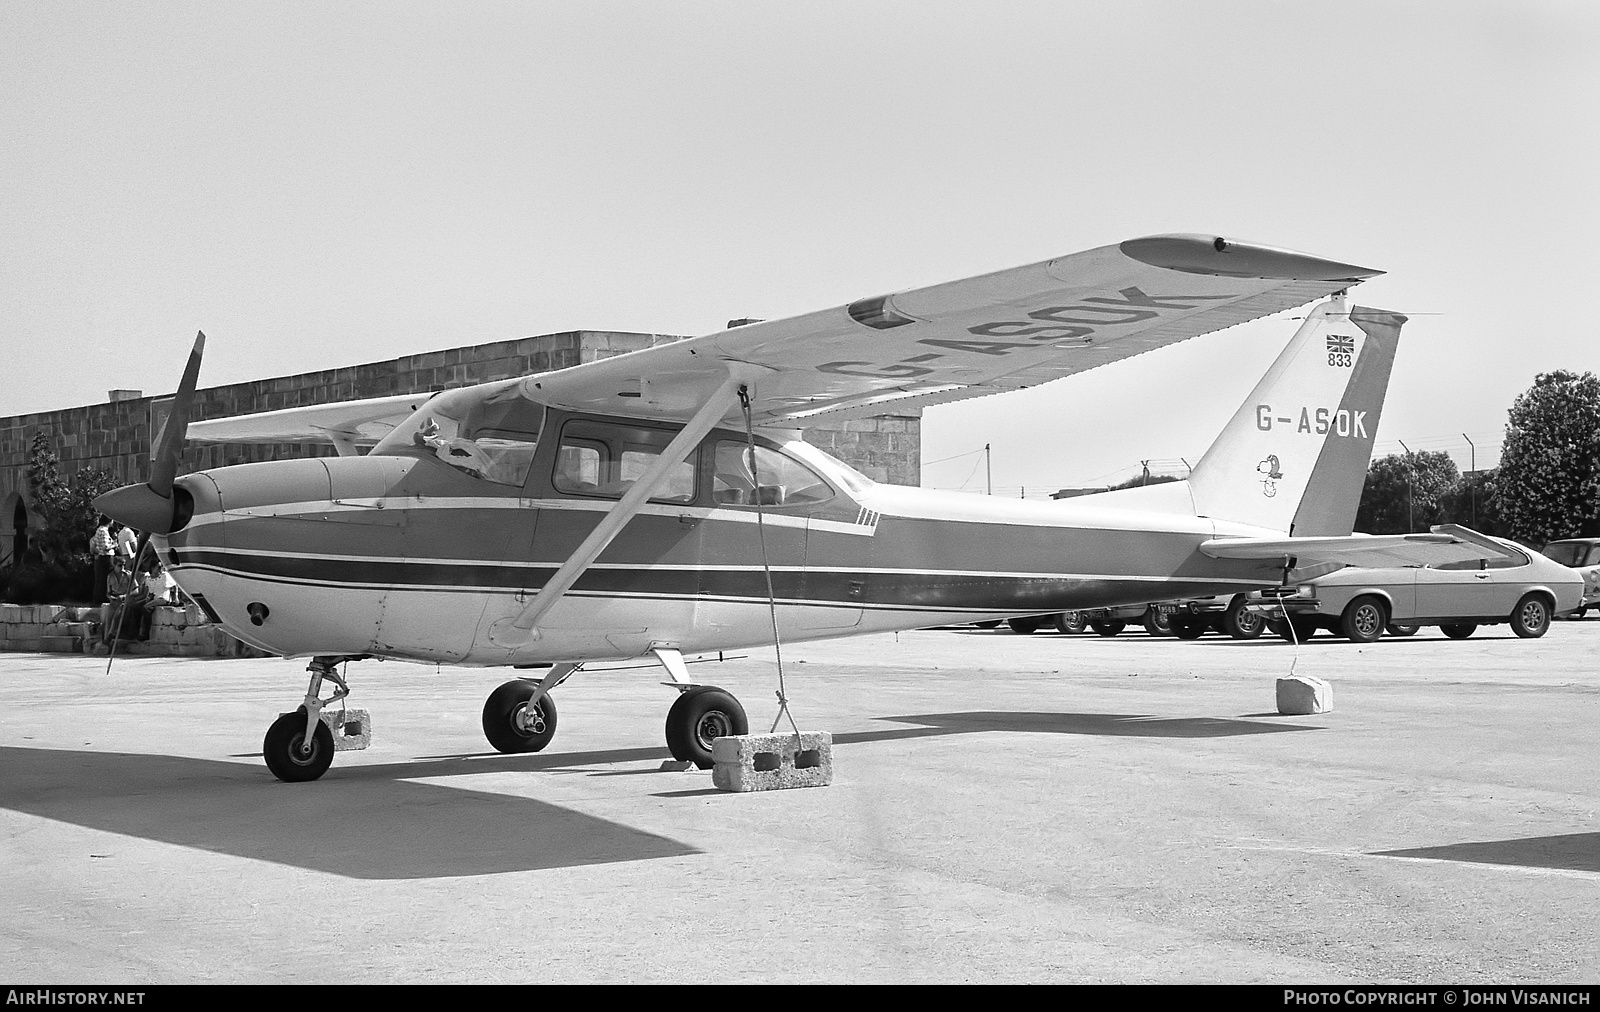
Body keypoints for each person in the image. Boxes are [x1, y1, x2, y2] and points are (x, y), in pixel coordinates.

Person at [89, 515, 115, 604]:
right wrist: (114, 545)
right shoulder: (103, 531)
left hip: (101, 557)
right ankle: (103, 598)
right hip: (105, 557)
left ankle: (98, 598)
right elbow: (105, 547)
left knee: (100, 578)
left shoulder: (99, 530)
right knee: (105, 578)